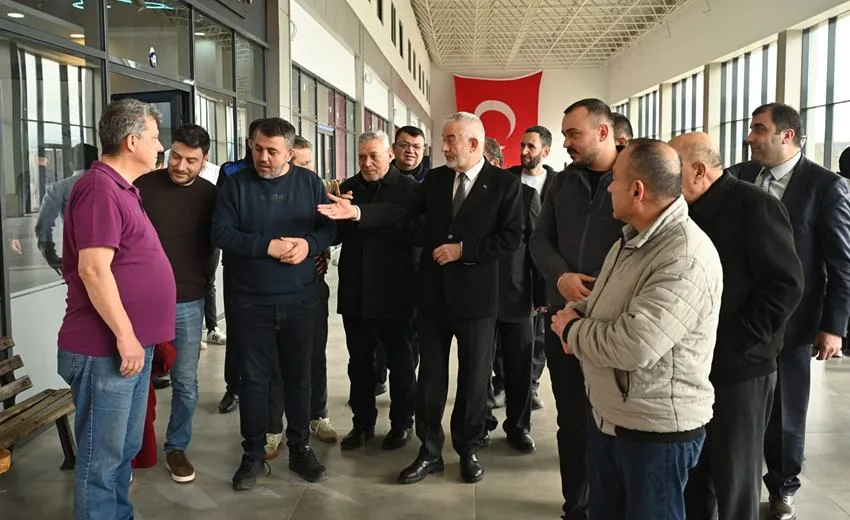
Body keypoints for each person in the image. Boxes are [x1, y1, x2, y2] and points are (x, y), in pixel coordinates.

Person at [318, 112, 523, 485]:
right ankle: (429, 451)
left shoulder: (504, 184)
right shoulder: (436, 180)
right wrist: (358, 211)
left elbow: (511, 238)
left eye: (450, 140)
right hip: (432, 296)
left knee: (474, 379)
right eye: (443, 139)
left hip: (476, 299)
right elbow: (402, 213)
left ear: (474, 143)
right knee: (429, 379)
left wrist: (463, 250)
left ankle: (468, 449)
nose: (442, 147)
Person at [552, 138, 724, 519]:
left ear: (637, 190)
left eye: (614, 179)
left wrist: (572, 333)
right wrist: (575, 311)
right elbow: (604, 298)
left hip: (654, 432)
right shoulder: (632, 239)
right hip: (615, 418)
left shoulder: (684, 255)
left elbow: (637, 344)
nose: (608, 188)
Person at [669, 132, 803, 520]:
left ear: (698, 170)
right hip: (693, 367)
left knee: (735, 481)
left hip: (741, 369)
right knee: (694, 478)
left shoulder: (755, 206)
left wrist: (733, 343)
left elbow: (785, 287)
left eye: (672, 170)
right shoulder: (682, 210)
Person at [731, 103, 850, 520]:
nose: (749, 138)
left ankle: (783, 488)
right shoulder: (739, 176)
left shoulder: (825, 186)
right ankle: (733, 483)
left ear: (787, 135)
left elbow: (842, 264)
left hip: (793, 322)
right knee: (736, 406)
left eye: (758, 129)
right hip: (737, 316)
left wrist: (833, 326)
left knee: (786, 412)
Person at [57, 98, 174, 520]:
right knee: (101, 460)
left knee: (123, 449)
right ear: (131, 141)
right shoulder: (99, 189)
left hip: (129, 348)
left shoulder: (122, 188)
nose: (160, 147)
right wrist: (125, 336)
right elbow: (93, 270)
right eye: (155, 138)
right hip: (105, 349)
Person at [212, 117, 336, 489]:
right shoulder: (236, 185)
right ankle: (252, 455)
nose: (263, 157)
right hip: (251, 302)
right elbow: (221, 233)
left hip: (300, 299)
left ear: (290, 152)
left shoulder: (309, 183)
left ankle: (300, 449)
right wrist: (267, 246)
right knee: (253, 382)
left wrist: (308, 245)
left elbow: (329, 228)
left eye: (272, 151)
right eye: (257, 149)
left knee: (299, 378)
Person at [528, 99, 623, 520]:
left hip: (614, 324)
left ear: (603, 132)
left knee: (615, 419)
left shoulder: (633, 177)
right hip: (563, 316)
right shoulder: (563, 182)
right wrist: (561, 276)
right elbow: (539, 239)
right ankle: (576, 506)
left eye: (573, 134)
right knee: (571, 419)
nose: (566, 142)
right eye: (565, 134)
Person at [135, 124, 219, 484]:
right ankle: (132, 450)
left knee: (185, 381)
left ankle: (176, 447)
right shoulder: (142, 187)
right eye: (176, 156)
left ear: (204, 161)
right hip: (141, 301)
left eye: (191, 161)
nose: (181, 166)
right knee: (136, 380)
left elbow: (217, 243)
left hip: (188, 300)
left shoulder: (211, 195)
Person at [334, 131, 419, 451]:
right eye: (361, 157)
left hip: (395, 291)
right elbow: (336, 235)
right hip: (356, 291)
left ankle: (402, 423)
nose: (367, 163)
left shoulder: (409, 188)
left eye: (374, 156)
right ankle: (362, 423)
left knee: (401, 363)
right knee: (359, 364)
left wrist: (360, 215)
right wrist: (334, 212)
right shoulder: (349, 188)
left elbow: (414, 230)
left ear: (390, 156)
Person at [265, 135, 338, 459]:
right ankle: (272, 428)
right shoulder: (271, 193)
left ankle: (317, 415)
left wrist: (312, 245)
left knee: (314, 355)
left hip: (312, 287)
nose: (306, 170)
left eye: (310, 164)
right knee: (275, 363)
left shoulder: (316, 189)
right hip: (274, 289)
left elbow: (330, 232)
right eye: (300, 164)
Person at [482, 135, 543, 452]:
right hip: (477, 296)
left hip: (517, 296)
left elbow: (538, 248)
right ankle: (481, 424)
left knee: (519, 368)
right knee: (478, 369)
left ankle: (518, 427)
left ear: (494, 163)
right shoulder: (466, 197)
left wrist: (542, 296)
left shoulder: (526, 196)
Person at [507, 125, 558, 411]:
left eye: (531, 147)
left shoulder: (558, 183)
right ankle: (503, 384)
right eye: (522, 145)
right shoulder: (508, 179)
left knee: (538, 334)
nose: (524, 151)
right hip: (512, 271)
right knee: (509, 333)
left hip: (543, 267)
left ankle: (532, 385)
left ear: (545, 151)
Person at [216, 117, 264, 414]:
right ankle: (234, 387)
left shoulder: (289, 174)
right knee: (238, 330)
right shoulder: (231, 171)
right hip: (239, 265)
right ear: (250, 143)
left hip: (275, 267)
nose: (265, 154)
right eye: (259, 145)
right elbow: (224, 219)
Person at [34, 143, 98, 275]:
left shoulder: (59, 188)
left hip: (78, 256)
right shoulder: (114, 184)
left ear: (71, 165)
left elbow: (43, 226)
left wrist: (51, 257)